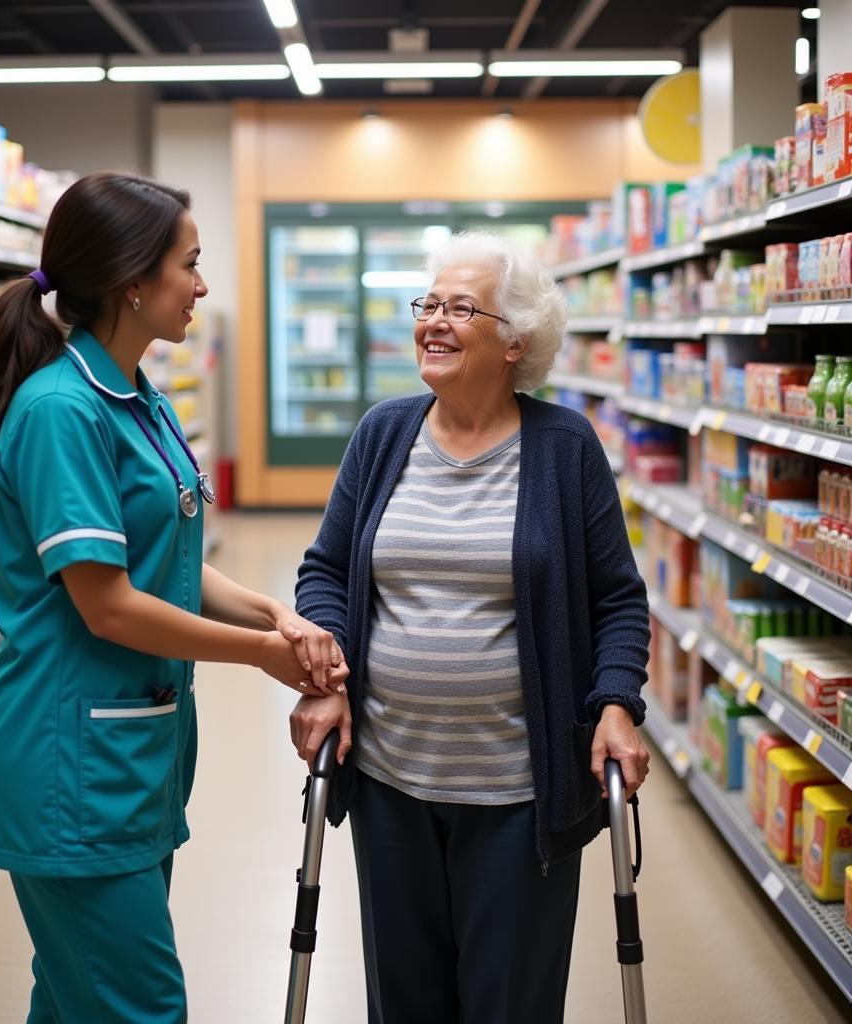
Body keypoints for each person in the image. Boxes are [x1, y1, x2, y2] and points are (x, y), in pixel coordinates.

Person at [0, 172, 346, 1024]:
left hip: (130, 758)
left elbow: (168, 558)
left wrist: (276, 612)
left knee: (73, 1003)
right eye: (189, 265)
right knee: (140, 1010)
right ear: (132, 280)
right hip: (71, 766)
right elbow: (110, 605)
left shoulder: (138, 396)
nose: (202, 286)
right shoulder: (63, 410)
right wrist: (262, 656)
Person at [289, 232, 651, 1024]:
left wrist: (618, 704)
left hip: (521, 796)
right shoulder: (384, 434)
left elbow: (617, 600)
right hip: (389, 783)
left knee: (508, 1006)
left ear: (515, 340)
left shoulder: (564, 447)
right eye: (427, 305)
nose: (433, 322)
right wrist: (325, 676)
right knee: (405, 1004)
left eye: (460, 307)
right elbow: (325, 572)